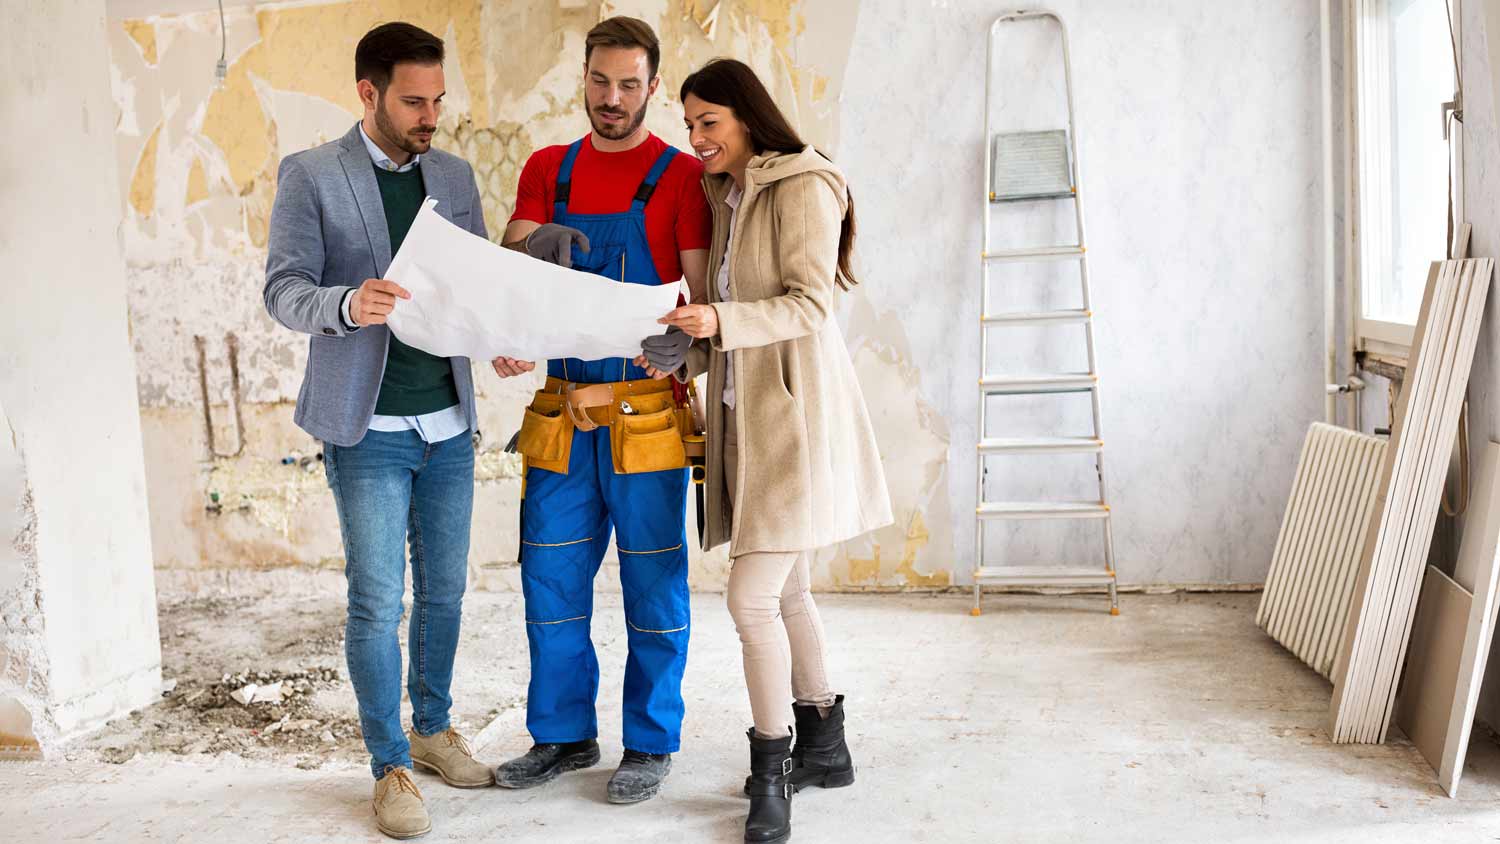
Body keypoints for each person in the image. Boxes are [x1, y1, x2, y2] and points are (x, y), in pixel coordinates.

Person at [638, 58, 893, 844]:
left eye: (708, 122)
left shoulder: (805, 184)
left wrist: (720, 324)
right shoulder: (728, 193)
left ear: (748, 117)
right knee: (787, 595)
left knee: (750, 600)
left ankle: (772, 767)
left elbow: (812, 303)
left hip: (796, 420)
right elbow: (730, 303)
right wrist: (689, 347)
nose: (696, 138)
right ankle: (827, 748)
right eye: (688, 125)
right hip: (750, 416)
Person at [263, 22, 493, 840]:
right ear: (368, 93)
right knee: (376, 600)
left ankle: (432, 730)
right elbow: (282, 291)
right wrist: (344, 303)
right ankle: (389, 763)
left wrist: (494, 338)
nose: (431, 114)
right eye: (413, 100)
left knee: (446, 591)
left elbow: (471, 284)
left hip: (449, 422)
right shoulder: (311, 175)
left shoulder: (455, 176)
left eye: (438, 98)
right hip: (366, 429)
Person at [490, 16, 711, 805]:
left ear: (653, 87)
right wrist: (527, 255)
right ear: (580, 78)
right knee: (549, 582)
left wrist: (685, 347)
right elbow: (510, 275)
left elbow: (695, 292)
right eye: (598, 81)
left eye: (627, 84)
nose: (610, 98)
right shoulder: (547, 169)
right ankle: (562, 735)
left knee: (654, 586)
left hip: (645, 413)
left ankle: (650, 742)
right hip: (560, 414)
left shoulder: (682, 176)